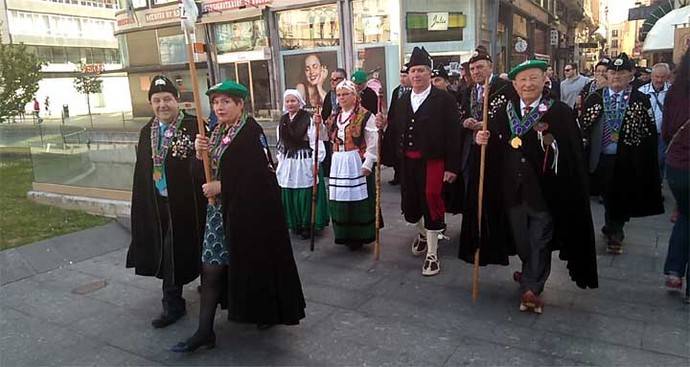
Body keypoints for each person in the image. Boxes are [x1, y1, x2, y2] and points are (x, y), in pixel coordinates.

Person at [173, 80, 306, 353]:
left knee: (254, 266)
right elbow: (200, 175)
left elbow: (263, 178)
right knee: (210, 267)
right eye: (215, 102)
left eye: (225, 102)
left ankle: (264, 311)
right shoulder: (215, 131)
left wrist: (223, 186)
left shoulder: (250, 132)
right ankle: (204, 331)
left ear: (240, 104)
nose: (219, 107)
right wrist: (199, 157)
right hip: (219, 215)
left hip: (249, 216)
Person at [463, 59, 598, 313]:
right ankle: (529, 270)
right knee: (522, 239)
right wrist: (481, 138)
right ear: (514, 84)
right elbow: (491, 143)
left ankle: (532, 288)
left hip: (546, 192)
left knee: (540, 238)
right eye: (522, 80)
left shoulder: (558, 112)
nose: (528, 84)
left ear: (544, 79)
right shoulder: (506, 110)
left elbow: (572, 155)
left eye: (533, 78)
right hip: (511, 190)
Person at [126, 75, 206, 329]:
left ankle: (174, 302)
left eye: (167, 99)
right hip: (158, 203)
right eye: (157, 100)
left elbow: (209, 166)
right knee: (168, 251)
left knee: (183, 249)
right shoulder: (145, 131)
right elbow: (142, 171)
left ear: (177, 101)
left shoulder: (196, 126)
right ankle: (175, 300)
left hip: (189, 204)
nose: (162, 105)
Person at [376, 46, 461, 276]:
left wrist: (452, 167)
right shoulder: (403, 100)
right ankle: (423, 233)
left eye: (421, 70)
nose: (416, 75)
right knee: (411, 206)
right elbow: (395, 129)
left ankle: (432, 253)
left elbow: (454, 135)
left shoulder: (444, 99)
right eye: (413, 71)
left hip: (433, 161)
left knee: (431, 201)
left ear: (429, 73)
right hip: (408, 162)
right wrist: (382, 125)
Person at [579, 53, 664, 254]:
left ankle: (616, 231)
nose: (616, 76)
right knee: (607, 194)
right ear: (607, 75)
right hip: (601, 158)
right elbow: (584, 127)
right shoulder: (595, 98)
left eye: (622, 73)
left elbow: (648, 132)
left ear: (630, 75)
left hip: (627, 158)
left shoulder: (639, 99)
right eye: (612, 72)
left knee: (620, 194)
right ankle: (612, 225)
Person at [317, 80, 379, 251]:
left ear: (355, 96)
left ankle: (360, 235)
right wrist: (318, 125)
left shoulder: (365, 115)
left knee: (358, 198)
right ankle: (344, 234)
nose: (342, 98)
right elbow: (324, 136)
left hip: (355, 160)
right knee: (341, 197)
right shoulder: (335, 117)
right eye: (339, 95)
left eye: (346, 94)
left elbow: (372, 141)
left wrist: (368, 162)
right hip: (338, 160)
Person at [458, 46, 516, 216]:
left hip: (497, 148)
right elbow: (461, 114)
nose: (476, 72)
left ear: (490, 66)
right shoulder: (468, 90)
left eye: (480, 67)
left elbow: (511, 116)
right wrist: (465, 122)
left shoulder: (504, 87)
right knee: (472, 185)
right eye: (472, 68)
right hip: (471, 148)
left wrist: (489, 123)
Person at [276, 89, 329, 239]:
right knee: (290, 192)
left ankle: (307, 224)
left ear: (300, 103)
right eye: (287, 101)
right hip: (288, 161)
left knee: (305, 194)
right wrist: (280, 160)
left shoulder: (308, 119)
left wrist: (316, 162)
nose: (290, 104)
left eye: (293, 101)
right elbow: (281, 143)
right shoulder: (283, 120)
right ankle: (295, 223)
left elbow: (315, 141)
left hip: (304, 160)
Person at [661, 49, 689, 302]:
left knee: (686, 217)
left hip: (677, 167)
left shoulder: (675, 91)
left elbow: (667, 131)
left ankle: (674, 271)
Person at [639, 63, 671, 176]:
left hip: (664, 134)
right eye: (657, 76)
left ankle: (659, 185)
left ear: (667, 77)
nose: (659, 80)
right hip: (646, 133)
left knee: (660, 161)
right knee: (646, 161)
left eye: (662, 77)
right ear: (652, 76)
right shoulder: (642, 91)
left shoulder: (672, 92)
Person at [382, 63, 411, 186]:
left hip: (407, 127)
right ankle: (397, 175)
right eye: (401, 76)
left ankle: (406, 178)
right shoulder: (396, 91)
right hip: (395, 127)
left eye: (405, 76)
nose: (402, 79)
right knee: (396, 154)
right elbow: (392, 109)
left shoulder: (412, 91)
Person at [320, 68, 347, 177]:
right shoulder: (329, 96)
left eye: (336, 79)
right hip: (332, 135)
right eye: (331, 79)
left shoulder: (351, 94)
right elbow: (324, 114)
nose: (332, 82)